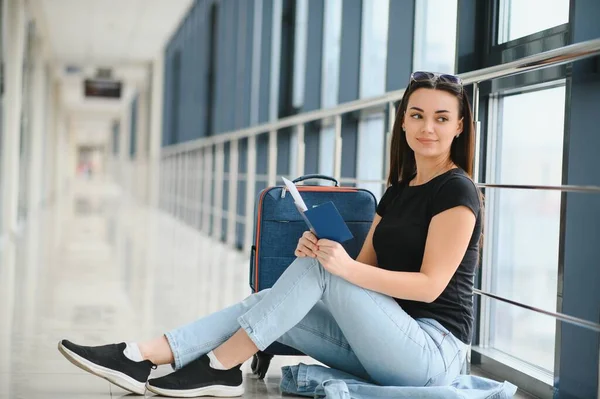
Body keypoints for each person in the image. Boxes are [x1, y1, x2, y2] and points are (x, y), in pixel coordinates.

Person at [57, 71, 483, 398]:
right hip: (386, 340)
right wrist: (324, 253)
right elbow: (366, 271)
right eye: (418, 115)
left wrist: (338, 268)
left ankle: (222, 366)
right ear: (403, 124)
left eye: (442, 118)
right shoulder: (396, 193)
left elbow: (429, 288)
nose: (428, 127)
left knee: (319, 273)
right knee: (270, 300)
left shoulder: (457, 191)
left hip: (431, 354)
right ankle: (141, 354)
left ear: (459, 126)